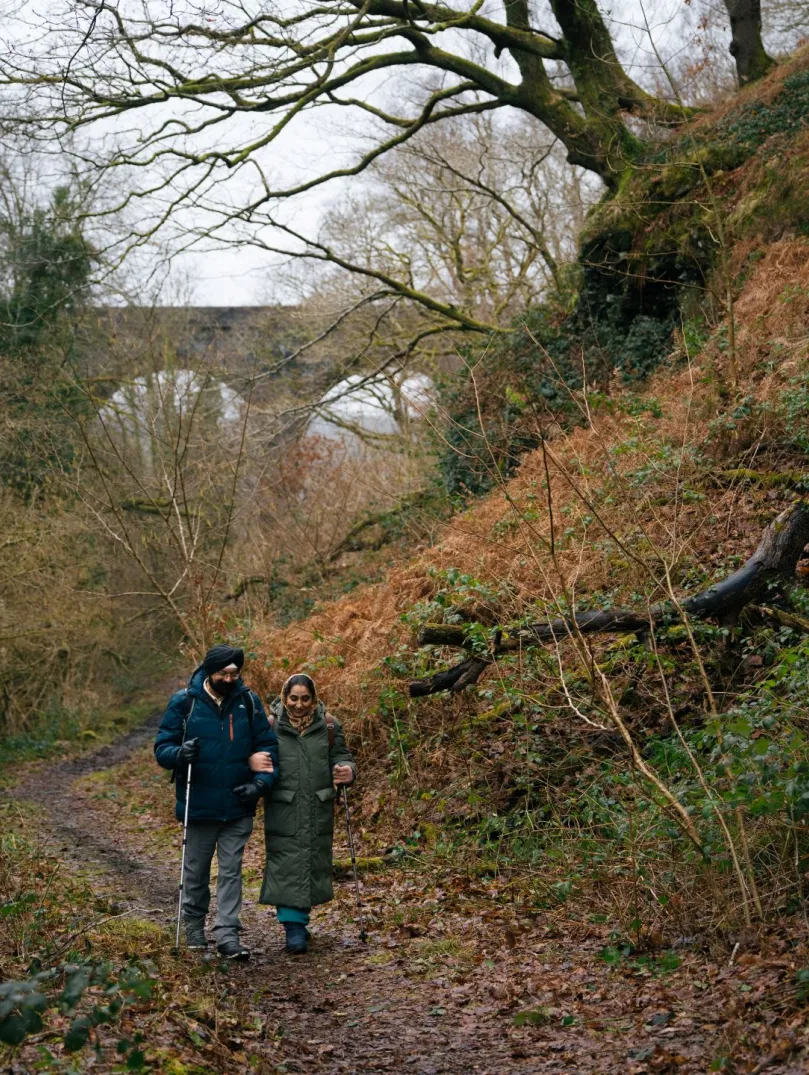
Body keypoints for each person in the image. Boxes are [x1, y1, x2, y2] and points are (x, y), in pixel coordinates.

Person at [154, 644, 278, 960]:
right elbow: (162, 749)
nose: (229, 678)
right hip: (198, 804)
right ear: (209, 671)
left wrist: (259, 785)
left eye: (234, 673)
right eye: (223, 673)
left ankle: (227, 935)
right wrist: (179, 754)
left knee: (231, 871)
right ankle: (194, 927)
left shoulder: (248, 702)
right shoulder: (185, 703)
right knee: (195, 872)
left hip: (238, 804)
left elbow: (268, 747)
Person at [249, 673, 356, 954]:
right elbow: (254, 757)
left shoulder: (329, 725)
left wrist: (347, 771)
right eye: (293, 698)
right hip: (282, 807)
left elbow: (342, 757)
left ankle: (300, 921)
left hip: (318, 807)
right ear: (284, 697)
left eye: (305, 698)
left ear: (314, 698)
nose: (299, 704)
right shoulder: (270, 726)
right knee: (286, 863)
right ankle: (293, 927)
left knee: (311, 862)